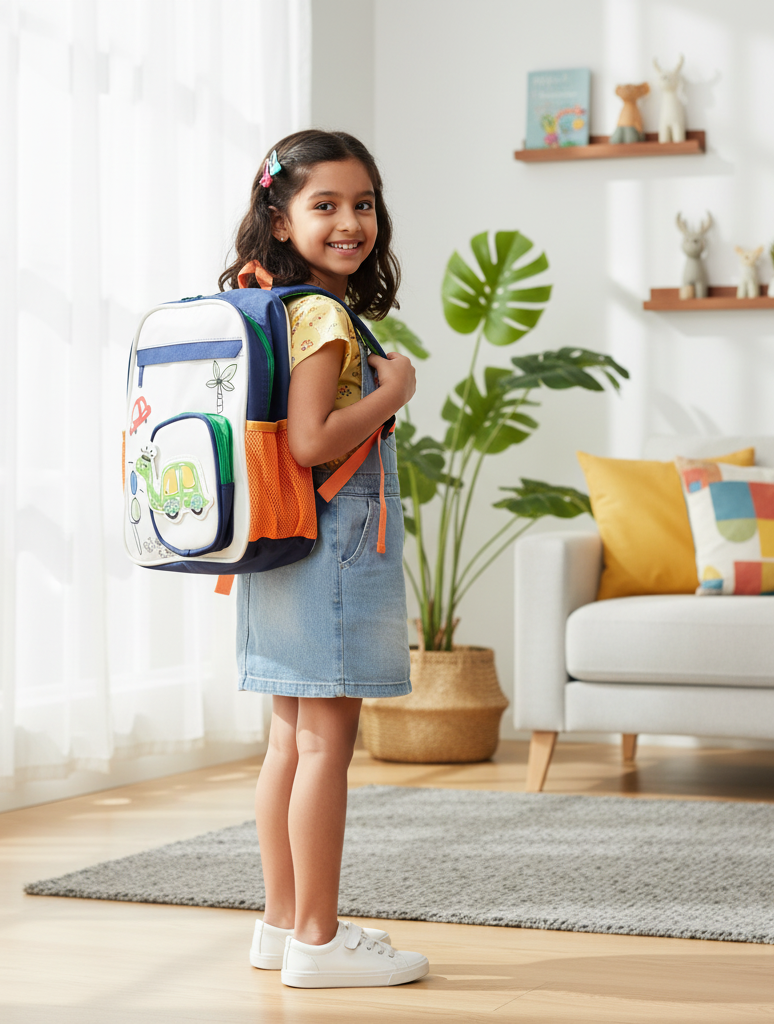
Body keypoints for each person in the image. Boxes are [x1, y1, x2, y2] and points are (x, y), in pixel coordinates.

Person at [220, 130, 428, 990]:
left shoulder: (262, 300)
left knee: (288, 743)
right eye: (325, 206)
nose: (350, 222)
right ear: (280, 215)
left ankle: (280, 925)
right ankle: (319, 936)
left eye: (363, 204)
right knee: (324, 746)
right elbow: (309, 443)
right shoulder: (321, 316)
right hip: (333, 538)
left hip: (277, 541)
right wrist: (392, 391)